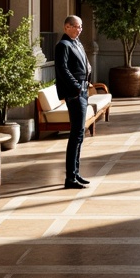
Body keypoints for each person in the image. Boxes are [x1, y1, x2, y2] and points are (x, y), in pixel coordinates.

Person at [54, 15, 91, 188]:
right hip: (75, 94)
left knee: (79, 135)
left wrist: (87, 81)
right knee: (76, 135)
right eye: (76, 26)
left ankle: (75, 173)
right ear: (66, 27)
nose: (79, 29)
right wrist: (76, 87)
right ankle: (70, 178)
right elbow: (62, 69)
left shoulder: (77, 43)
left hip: (83, 92)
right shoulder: (63, 45)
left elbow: (84, 65)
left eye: (81, 27)